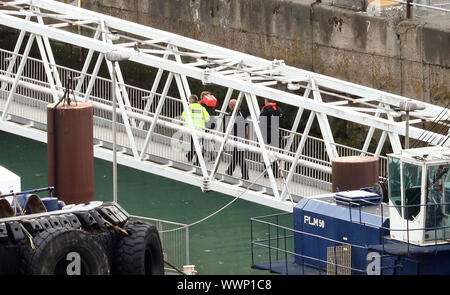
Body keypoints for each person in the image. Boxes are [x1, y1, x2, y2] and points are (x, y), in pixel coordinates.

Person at [182, 94, 210, 166]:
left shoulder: (189, 107)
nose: (189, 101)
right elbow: (208, 119)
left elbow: (183, 116)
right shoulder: (202, 108)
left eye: (189, 100)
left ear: (192, 100)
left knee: (193, 144)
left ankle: (191, 157)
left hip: (192, 129)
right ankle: (192, 158)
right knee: (198, 145)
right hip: (200, 130)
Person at [225, 99, 249, 180]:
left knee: (240, 156)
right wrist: (246, 137)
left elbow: (227, 125)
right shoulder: (243, 113)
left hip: (236, 138)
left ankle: (245, 175)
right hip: (241, 137)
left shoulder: (232, 114)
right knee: (236, 155)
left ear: (231, 106)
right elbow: (246, 126)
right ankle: (230, 170)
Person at [259, 98, 283, 178]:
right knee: (274, 155)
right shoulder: (278, 109)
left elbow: (262, 122)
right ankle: (275, 172)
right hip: (276, 134)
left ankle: (268, 172)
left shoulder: (266, 110)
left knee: (266, 154)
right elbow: (282, 121)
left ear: (266, 101)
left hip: (267, 135)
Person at [199, 91, 218, 161]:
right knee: (207, 140)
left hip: (205, 124)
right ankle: (202, 155)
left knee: (205, 141)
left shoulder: (203, 105)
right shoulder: (212, 105)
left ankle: (212, 157)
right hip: (212, 124)